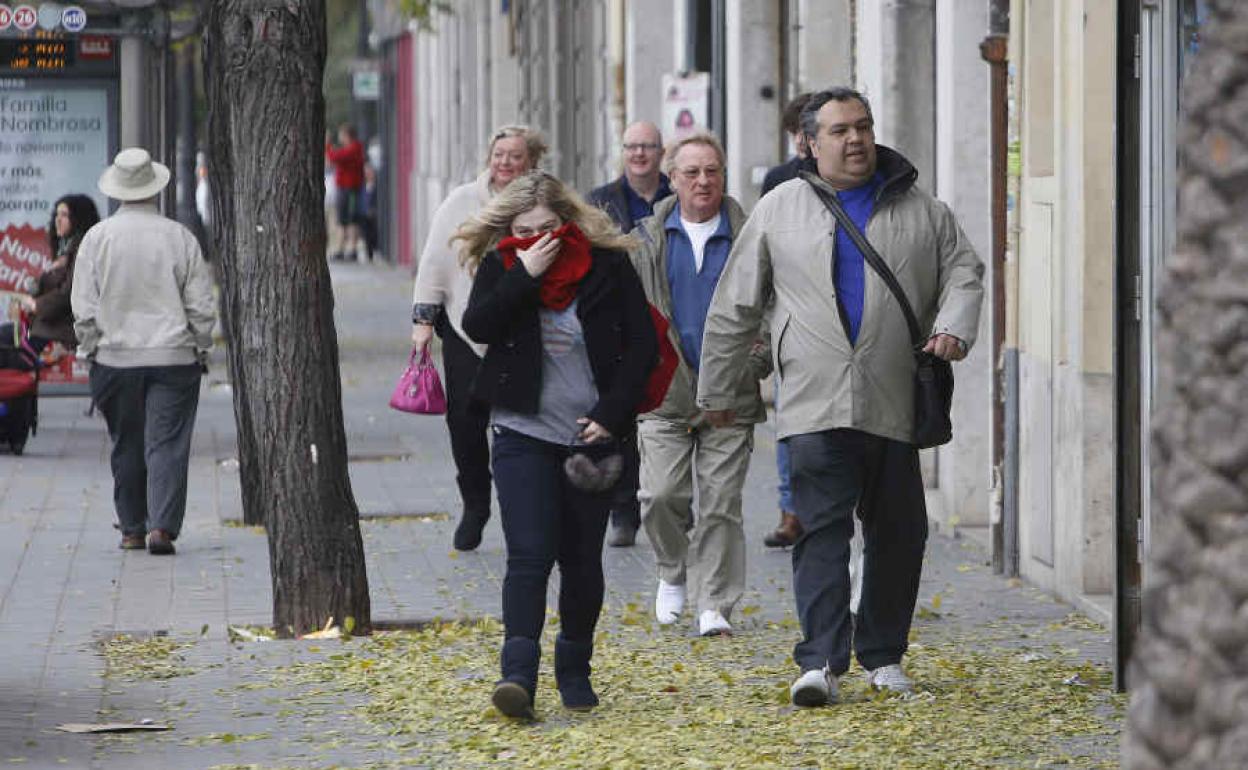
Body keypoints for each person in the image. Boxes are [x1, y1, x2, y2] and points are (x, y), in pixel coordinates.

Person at [696, 88, 984, 705]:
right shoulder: (780, 209)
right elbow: (734, 305)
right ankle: (820, 661)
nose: (855, 140)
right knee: (820, 532)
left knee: (899, 533)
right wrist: (719, 392)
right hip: (812, 399)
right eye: (839, 131)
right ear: (810, 142)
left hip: (893, 397)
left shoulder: (922, 209)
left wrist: (956, 324)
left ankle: (882, 655)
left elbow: (965, 268)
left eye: (863, 127)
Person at [457, 170, 657, 718]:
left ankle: (575, 667)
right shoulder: (504, 265)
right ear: (509, 229)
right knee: (528, 554)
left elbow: (642, 346)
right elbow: (479, 325)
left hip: (589, 437)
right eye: (524, 230)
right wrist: (523, 274)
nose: (537, 238)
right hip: (521, 431)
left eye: (548, 228)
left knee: (580, 559)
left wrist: (612, 415)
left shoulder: (607, 265)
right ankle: (517, 675)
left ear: (568, 223)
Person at [631, 133, 770, 638]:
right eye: (691, 172)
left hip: (730, 393)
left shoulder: (752, 236)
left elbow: (776, 310)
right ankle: (672, 570)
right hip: (665, 391)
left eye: (712, 170)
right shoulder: (645, 239)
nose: (703, 181)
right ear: (672, 180)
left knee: (720, 505)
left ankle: (715, 603)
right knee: (661, 495)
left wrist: (755, 361)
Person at [71, 148, 217, 555]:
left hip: (114, 359)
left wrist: (91, 346)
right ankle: (162, 528)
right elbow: (201, 307)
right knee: (167, 443)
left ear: (117, 190)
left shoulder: (96, 239)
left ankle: (132, 528)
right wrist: (199, 346)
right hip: (173, 357)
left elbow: (83, 306)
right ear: (154, 186)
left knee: (126, 442)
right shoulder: (179, 238)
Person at [410, 125, 548, 552]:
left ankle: (523, 507)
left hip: (528, 326)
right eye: (499, 154)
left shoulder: (544, 202)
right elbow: (435, 260)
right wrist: (423, 320)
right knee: (465, 421)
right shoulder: (462, 202)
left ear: (532, 162)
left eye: (515, 156)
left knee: (523, 419)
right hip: (466, 324)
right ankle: (475, 502)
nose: (505, 163)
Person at [587, 120, 674, 548]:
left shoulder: (678, 198)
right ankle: (624, 509)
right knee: (624, 420)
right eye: (632, 147)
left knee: (670, 417)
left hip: (671, 317)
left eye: (648, 147)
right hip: (620, 322)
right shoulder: (599, 202)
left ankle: (676, 505)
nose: (639, 154)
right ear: (622, 152)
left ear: (661, 152)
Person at [6, 194, 100, 353]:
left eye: (64, 215)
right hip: (43, 327)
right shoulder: (65, 249)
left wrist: (35, 305)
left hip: (59, 335)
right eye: (57, 214)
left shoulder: (83, 250)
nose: (58, 219)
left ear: (79, 218)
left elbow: (68, 293)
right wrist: (27, 297)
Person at [325, 123, 366, 262]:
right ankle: (343, 248)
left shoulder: (354, 148)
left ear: (347, 135)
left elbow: (334, 157)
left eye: (342, 135)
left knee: (350, 219)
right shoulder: (352, 148)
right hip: (345, 188)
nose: (340, 138)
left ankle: (351, 249)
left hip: (350, 188)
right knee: (344, 220)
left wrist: (328, 144)